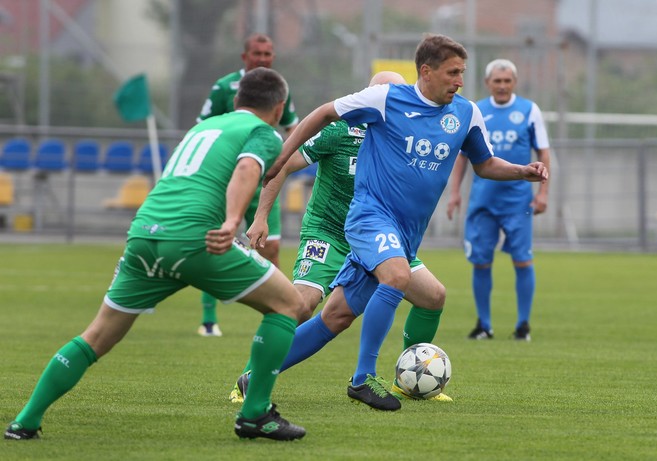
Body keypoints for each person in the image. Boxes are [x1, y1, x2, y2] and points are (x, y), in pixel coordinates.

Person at [5, 67, 307, 442]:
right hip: (194, 238)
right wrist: (233, 221)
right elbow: (247, 169)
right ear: (279, 108)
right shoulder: (263, 132)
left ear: (235, 100)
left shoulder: (203, 128)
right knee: (289, 305)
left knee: (96, 336)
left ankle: (25, 422)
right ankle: (254, 413)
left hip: (143, 235)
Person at [260, 34, 549, 411]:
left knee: (364, 310)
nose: (460, 81)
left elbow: (485, 164)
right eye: (453, 73)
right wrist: (283, 155)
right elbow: (324, 113)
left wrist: (521, 171)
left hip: (405, 234)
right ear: (426, 72)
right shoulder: (386, 99)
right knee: (395, 277)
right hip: (369, 218)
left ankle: (255, 375)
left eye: (462, 72)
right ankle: (363, 378)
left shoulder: (465, 113)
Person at [229, 71, 452, 407]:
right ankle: (250, 377)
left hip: (380, 237)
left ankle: (408, 382)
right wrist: (260, 216)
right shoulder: (339, 130)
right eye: (384, 93)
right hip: (329, 233)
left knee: (433, 296)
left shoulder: (405, 136)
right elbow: (282, 165)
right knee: (300, 305)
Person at [195, 32, 299, 337]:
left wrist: (298, 157)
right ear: (245, 57)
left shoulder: (280, 88)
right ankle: (209, 320)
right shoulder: (225, 87)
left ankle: (279, 317)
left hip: (265, 178)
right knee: (216, 242)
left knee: (272, 247)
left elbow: (293, 128)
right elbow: (203, 127)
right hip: (230, 178)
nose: (262, 59)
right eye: (257, 53)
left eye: (268, 54)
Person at [447, 58, 551, 342]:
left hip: (518, 201)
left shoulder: (529, 110)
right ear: (487, 83)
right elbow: (462, 155)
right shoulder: (476, 110)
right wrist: (454, 192)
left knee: (522, 260)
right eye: (497, 81)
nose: (502, 86)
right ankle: (484, 325)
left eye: (507, 81)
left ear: (514, 83)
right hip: (483, 200)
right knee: (481, 261)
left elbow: (543, 153)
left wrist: (543, 193)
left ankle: (523, 325)